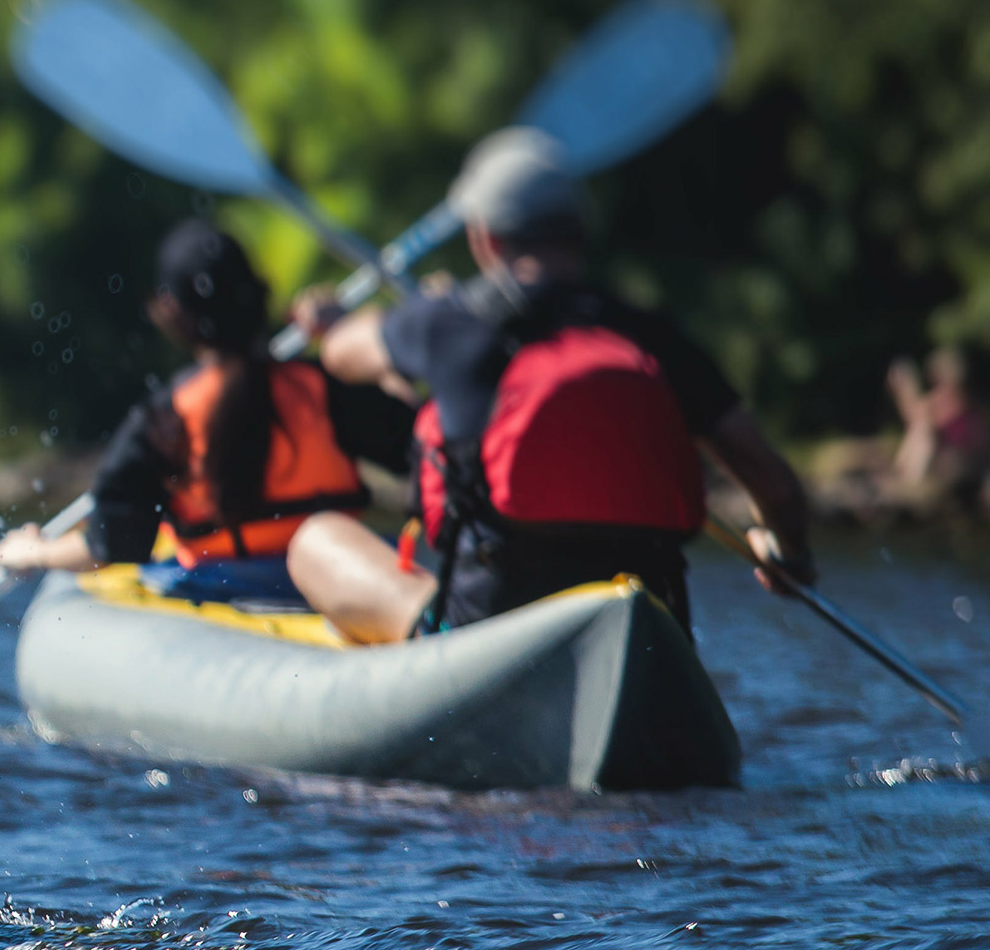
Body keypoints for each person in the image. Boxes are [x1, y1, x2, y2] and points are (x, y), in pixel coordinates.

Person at [284, 128, 817, 643]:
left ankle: (428, 629)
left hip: (489, 634)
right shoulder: (649, 333)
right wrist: (786, 551)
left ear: (485, 237)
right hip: (644, 626)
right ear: (578, 234)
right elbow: (775, 484)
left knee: (315, 539)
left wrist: (342, 324)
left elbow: (344, 354)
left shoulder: (450, 323)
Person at [0, 219, 412, 602]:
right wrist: (351, 335)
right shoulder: (321, 386)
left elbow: (111, 544)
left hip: (223, 591)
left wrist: (37, 551)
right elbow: (422, 440)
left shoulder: (163, 419)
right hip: (340, 580)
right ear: (259, 291)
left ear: (170, 310)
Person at [887, 344, 986, 509]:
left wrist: (905, 388)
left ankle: (909, 480)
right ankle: (905, 476)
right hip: (954, 458)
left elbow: (918, 416)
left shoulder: (957, 398)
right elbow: (916, 414)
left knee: (924, 432)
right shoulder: (949, 396)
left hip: (966, 461)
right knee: (921, 429)